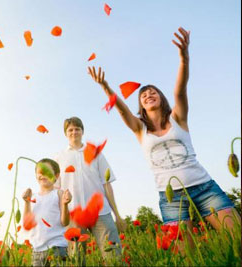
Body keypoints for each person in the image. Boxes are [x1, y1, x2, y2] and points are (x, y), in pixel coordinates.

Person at [88, 27, 240, 233]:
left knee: (236, 238)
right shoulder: (139, 129)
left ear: (161, 98)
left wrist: (184, 58)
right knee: (186, 257)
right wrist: (105, 86)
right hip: (170, 198)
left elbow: (180, 90)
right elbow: (123, 111)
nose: (148, 94)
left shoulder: (178, 117)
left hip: (204, 188)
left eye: (153, 92)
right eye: (143, 95)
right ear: (141, 105)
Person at [54, 116, 125, 258]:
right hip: (74, 214)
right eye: (70, 130)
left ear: (82, 131)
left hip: (101, 212)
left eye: (77, 129)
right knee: (76, 259)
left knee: (113, 256)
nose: (74, 132)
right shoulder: (59, 157)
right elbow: (57, 191)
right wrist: (61, 217)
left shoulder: (96, 153)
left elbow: (107, 184)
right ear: (65, 133)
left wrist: (117, 214)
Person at [22, 158, 72, 267]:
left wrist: (65, 204)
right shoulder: (33, 197)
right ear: (36, 176)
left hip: (57, 247)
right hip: (37, 250)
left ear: (56, 176)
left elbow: (65, 222)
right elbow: (27, 224)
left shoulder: (59, 194)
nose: (43, 174)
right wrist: (26, 202)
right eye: (40, 172)